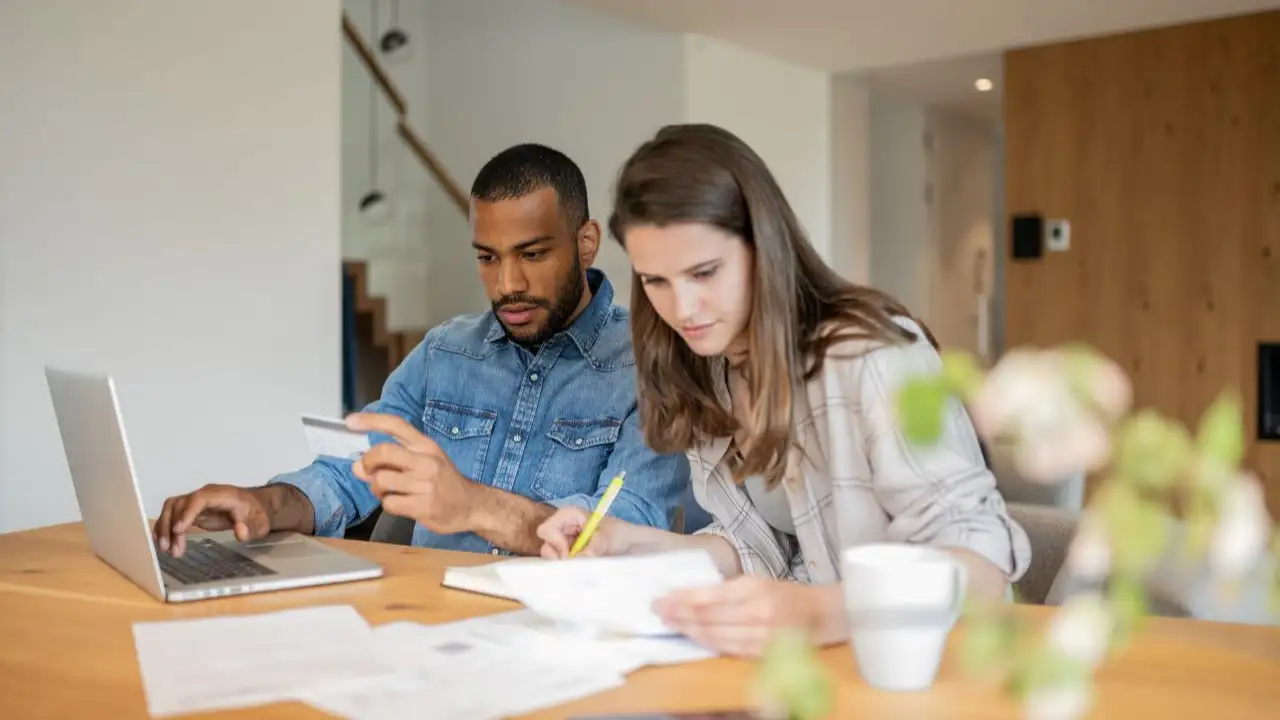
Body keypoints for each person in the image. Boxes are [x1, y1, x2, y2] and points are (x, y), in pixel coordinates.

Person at [537, 124, 1032, 657]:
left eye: (704, 272)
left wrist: (818, 613)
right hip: (821, 670)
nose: (683, 309)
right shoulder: (710, 366)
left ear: (762, 246)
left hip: (937, 665)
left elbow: (981, 561)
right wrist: (626, 541)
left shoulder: (874, 354)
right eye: (655, 281)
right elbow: (756, 547)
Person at [153, 143, 690, 558]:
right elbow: (352, 471)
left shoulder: (651, 365)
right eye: (487, 257)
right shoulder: (445, 353)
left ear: (586, 242)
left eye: (531, 254)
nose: (506, 283)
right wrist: (261, 505)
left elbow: (626, 531)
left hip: (564, 638)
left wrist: (473, 506)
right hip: (426, 622)